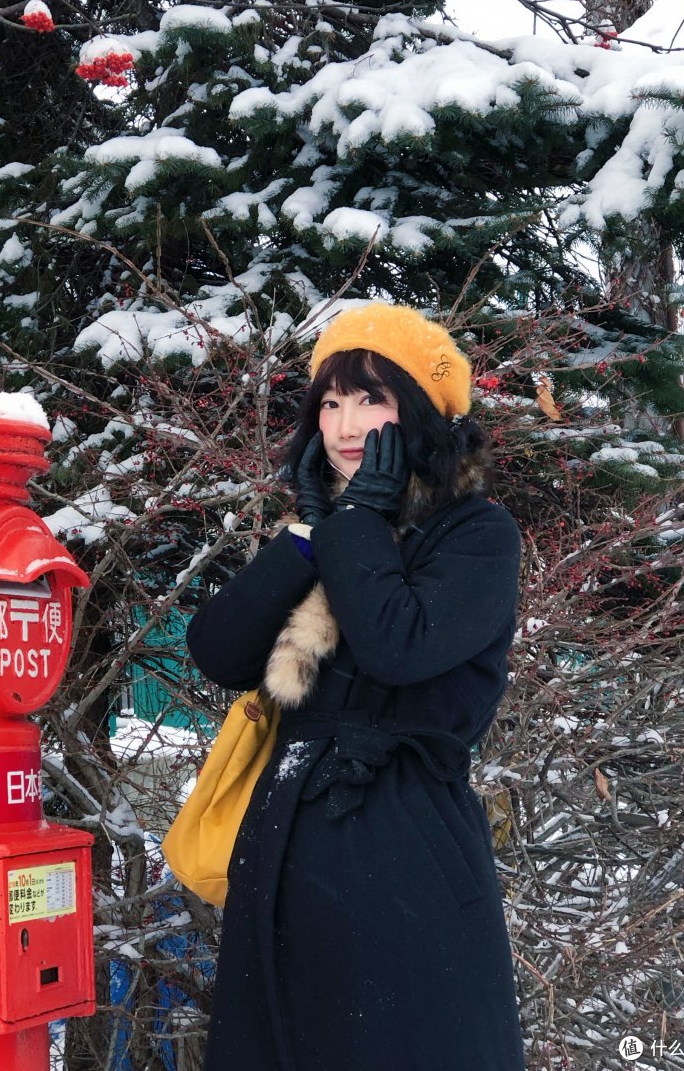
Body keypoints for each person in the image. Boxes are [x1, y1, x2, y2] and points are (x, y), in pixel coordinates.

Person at [186, 302, 526, 1071]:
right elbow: (216, 650)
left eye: (371, 398)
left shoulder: (476, 533)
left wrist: (358, 523)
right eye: (330, 402)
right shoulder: (332, 535)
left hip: (403, 843)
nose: (344, 424)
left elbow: (398, 644)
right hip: (284, 843)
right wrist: (306, 537)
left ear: (421, 410)